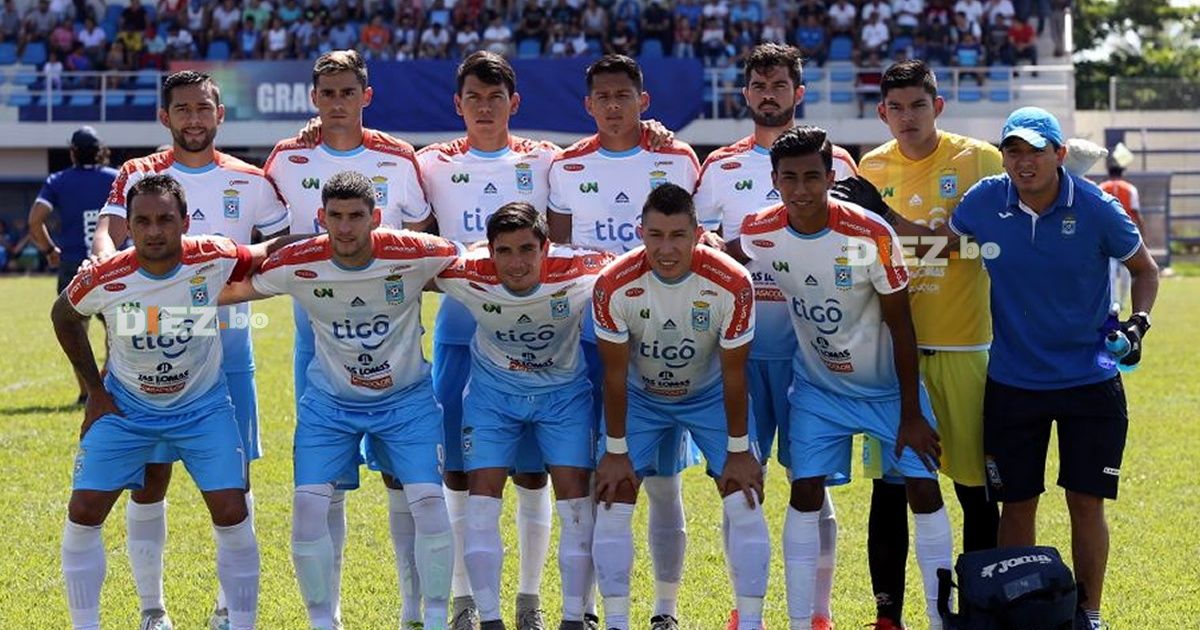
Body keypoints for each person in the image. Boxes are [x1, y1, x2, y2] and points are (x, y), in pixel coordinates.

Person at [872, 106, 1159, 630]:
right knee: (1017, 504)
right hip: (1012, 384)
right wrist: (881, 219)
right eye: (1013, 151)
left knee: (1085, 503)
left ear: (1060, 154)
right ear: (1003, 157)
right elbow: (942, 247)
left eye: (1036, 151)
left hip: (1091, 381)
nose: (1024, 162)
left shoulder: (1096, 207)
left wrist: (1138, 323)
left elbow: (1145, 269)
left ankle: (1089, 614)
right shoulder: (985, 200)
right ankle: (1019, 616)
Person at [89, 70, 290, 630]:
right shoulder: (139, 173)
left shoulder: (251, 181)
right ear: (165, 117)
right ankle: (153, 610)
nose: (194, 119)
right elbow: (108, 231)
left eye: (203, 108)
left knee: (234, 482)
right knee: (150, 478)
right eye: (182, 109)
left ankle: (229, 609)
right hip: (150, 348)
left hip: (230, 351)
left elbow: (277, 245)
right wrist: (103, 259)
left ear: (219, 115)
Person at [220, 170, 459, 630]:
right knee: (309, 507)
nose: (346, 227)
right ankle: (321, 623)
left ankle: (431, 619)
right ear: (321, 217)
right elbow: (231, 292)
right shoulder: (298, 262)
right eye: (336, 216)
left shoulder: (416, 253)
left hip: (406, 402)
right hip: (329, 406)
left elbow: (475, 265)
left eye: (356, 216)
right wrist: (147, 312)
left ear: (376, 218)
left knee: (429, 501)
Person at [738, 126, 953, 630]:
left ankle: (939, 618)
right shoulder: (760, 231)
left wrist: (911, 412)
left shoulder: (869, 234)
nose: (801, 189)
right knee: (805, 491)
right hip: (818, 390)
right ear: (774, 180)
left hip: (887, 391)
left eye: (812, 177)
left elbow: (901, 325)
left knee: (923, 490)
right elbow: (721, 252)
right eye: (790, 178)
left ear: (832, 177)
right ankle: (800, 622)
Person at [53, 174, 273, 630]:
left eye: (165, 220)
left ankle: (241, 623)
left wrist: (339, 243)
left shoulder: (212, 256)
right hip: (126, 410)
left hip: (202, 408)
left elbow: (267, 252)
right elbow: (64, 316)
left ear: (185, 222)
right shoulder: (105, 276)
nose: (154, 231)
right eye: (143, 221)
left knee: (232, 510)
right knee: (84, 511)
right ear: (129, 227)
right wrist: (95, 392)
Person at [265, 48, 431, 629]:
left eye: (347, 92)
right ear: (313, 99)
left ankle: (413, 612)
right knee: (325, 484)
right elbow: (275, 241)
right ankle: (327, 617)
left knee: (401, 478)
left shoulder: (398, 157)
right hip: (317, 341)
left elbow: (419, 239)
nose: (337, 103)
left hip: (393, 344)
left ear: (367, 95)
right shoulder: (287, 158)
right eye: (328, 93)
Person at [698, 42, 857, 630]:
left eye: (780, 85)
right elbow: (701, 248)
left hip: (811, 354)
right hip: (738, 353)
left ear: (799, 92)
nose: (769, 95)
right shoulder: (719, 167)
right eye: (759, 86)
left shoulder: (838, 162)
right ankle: (747, 612)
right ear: (745, 94)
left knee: (810, 482)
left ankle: (817, 613)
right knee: (738, 483)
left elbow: (855, 253)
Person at [547, 54, 702, 630]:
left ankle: (665, 610)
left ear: (644, 100)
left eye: (624, 95)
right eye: (604, 97)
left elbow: (698, 243)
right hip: (590, 340)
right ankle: (587, 608)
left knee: (661, 481)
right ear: (588, 105)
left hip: (664, 339)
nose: (614, 105)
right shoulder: (566, 166)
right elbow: (560, 256)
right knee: (594, 476)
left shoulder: (677, 158)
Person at [855, 59, 1004, 630]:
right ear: (882, 113)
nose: (908, 116)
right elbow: (866, 254)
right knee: (891, 490)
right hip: (893, 356)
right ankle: (888, 616)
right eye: (896, 107)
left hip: (964, 348)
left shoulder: (979, 160)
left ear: (937, 106)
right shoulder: (871, 167)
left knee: (974, 490)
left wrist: (895, 225)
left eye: (918, 105)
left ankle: (979, 611)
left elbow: (977, 243)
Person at [592, 183, 769, 630]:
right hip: (641, 398)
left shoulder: (733, 282)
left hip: (709, 394)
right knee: (613, 498)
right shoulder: (613, 283)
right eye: (655, 235)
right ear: (640, 233)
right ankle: (616, 622)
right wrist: (615, 450)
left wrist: (738, 449)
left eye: (678, 236)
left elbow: (735, 374)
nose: (666, 249)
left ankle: (751, 622)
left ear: (697, 233)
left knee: (745, 499)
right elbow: (613, 375)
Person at [434, 203, 613, 630]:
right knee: (481, 501)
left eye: (527, 250)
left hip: (563, 398)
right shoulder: (467, 272)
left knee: (576, 504)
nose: (516, 263)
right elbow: (399, 264)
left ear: (546, 248)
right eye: (504, 251)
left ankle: (573, 619)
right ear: (489, 250)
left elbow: (639, 264)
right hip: (493, 400)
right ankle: (490, 620)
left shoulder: (583, 270)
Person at [28, 126, 118, 404]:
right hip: (110, 263)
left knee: (75, 330)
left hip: (72, 266)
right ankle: (108, 384)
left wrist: (49, 249)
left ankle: (87, 392)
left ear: (73, 152)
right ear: (101, 151)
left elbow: (35, 220)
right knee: (116, 329)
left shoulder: (57, 181)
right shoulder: (115, 178)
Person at [1098, 150, 1144, 311]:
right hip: (1126, 233)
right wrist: (1142, 233)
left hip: (1106, 234)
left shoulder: (1101, 187)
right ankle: (1123, 301)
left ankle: (1113, 302)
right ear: (1122, 173)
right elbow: (1136, 212)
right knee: (1126, 270)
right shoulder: (1130, 189)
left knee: (1110, 270)